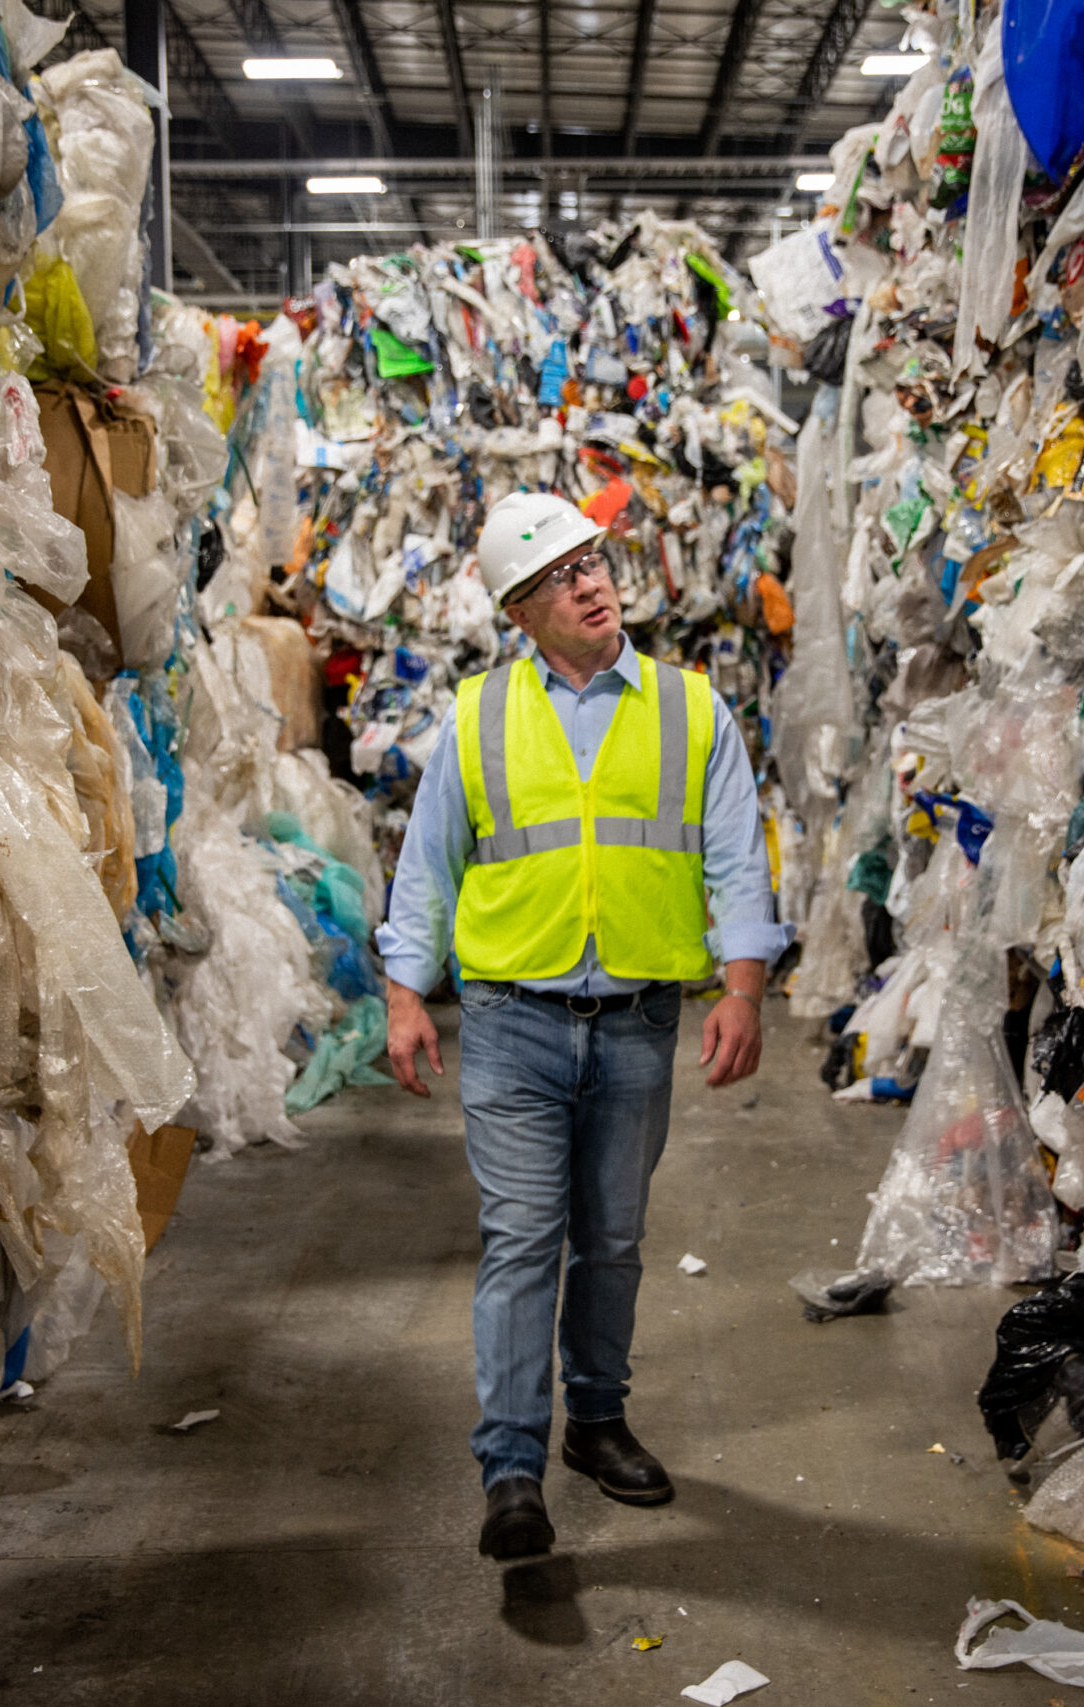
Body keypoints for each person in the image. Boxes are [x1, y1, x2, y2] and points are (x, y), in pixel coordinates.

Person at [378, 489, 789, 1563]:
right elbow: (427, 870)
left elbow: (739, 857)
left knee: (610, 1241)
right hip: (512, 1019)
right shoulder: (473, 719)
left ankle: (596, 1423)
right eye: (561, 575)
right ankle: (511, 1465)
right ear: (520, 609)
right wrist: (404, 993)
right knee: (521, 1240)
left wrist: (742, 989)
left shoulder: (692, 710)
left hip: (639, 1020)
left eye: (594, 561)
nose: (592, 582)